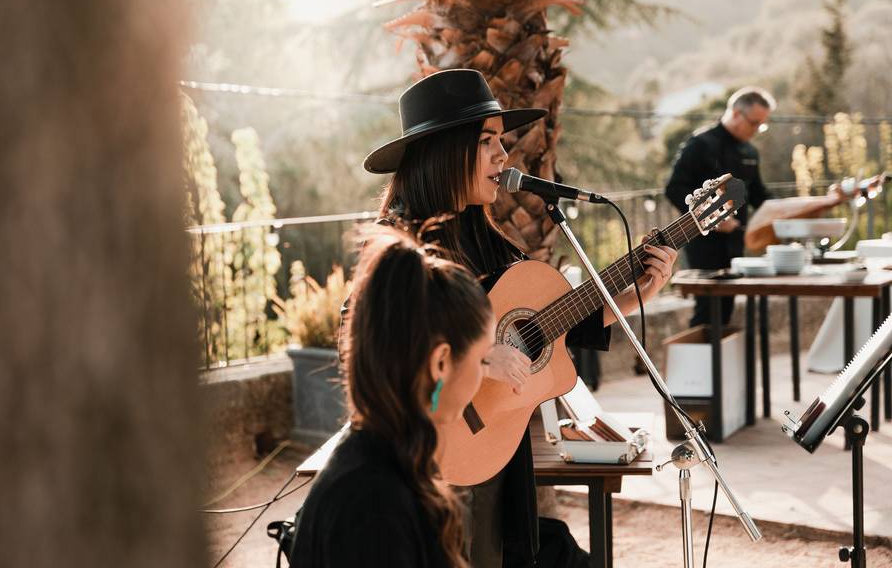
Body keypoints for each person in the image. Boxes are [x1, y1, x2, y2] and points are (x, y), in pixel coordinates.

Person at [361, 68, 678, 567]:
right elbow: (372, 347)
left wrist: (633, 294)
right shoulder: (396, 243)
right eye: (487, 141)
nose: (503, 156)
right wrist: (479, 359)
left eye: (501, 142)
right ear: (446, 152)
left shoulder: (486, 237)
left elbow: (547, 327)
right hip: (423, 462)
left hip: (493, 452)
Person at [290, 227, 499, 567]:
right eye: (483, 359)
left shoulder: (387, 459)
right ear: (440, 361)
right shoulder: (373, 504)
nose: (482, 375)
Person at [665, 87, 777, 327]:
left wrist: (791, 211)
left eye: (762, 125)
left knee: (726, 308)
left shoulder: (750, 151)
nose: (757, 130)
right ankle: (701, 363)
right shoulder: (700, 144)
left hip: (736, 242)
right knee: (707, 311)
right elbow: (674, 189)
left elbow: (759, 195)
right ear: (736, 113)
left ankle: (718, 363)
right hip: (703, 243)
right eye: (754, 123)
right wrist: (712, 218)